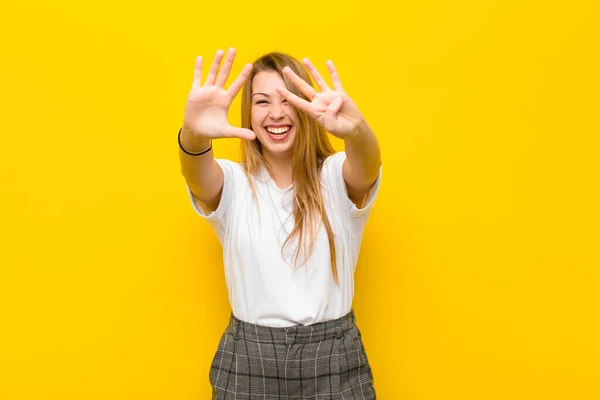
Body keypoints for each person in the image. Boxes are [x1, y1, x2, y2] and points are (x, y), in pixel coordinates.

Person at [178, 47, 382, 399]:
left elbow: (367, 165)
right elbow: (196, 174)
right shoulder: (233, 183)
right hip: (248, 359)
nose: (276, 114)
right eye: (261, 102)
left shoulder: (335, 176)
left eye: (287, 99)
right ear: (248, 112)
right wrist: (194, 134)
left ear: (306, 105)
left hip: (334, 360)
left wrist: (357, 130)